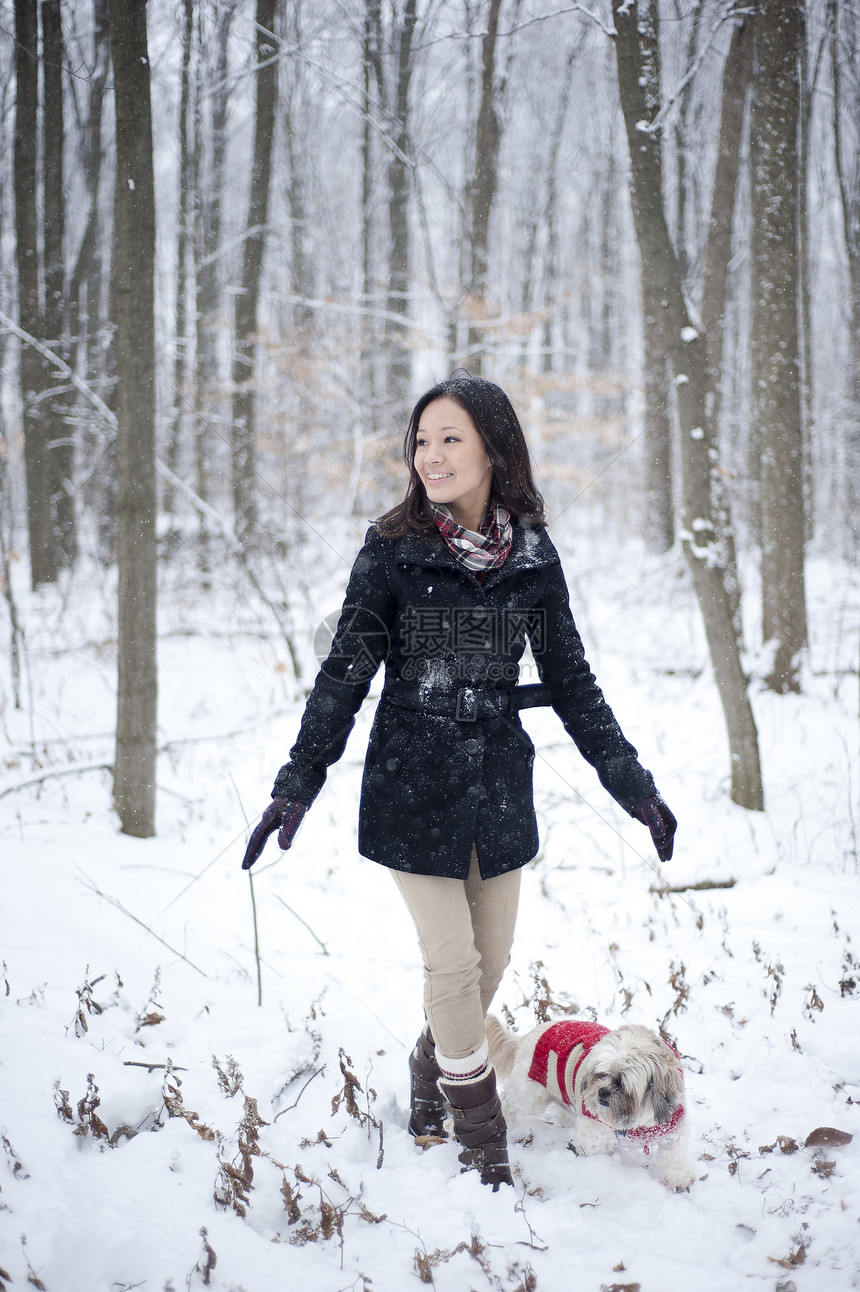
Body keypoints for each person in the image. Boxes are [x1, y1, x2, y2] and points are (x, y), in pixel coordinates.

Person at [241, 372, 676, 1190]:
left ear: (493, 448)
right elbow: (344, 674)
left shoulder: (534, 556)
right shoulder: (391, 549)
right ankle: (482, 1146)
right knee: (452, 967)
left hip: (499, 788)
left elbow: (573, 681)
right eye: (421, 439)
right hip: (412, 782)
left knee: (492, 960)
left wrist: (634, 786)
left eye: (450, 439)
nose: (430, 455)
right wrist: (296, 784)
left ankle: (432, 1069)